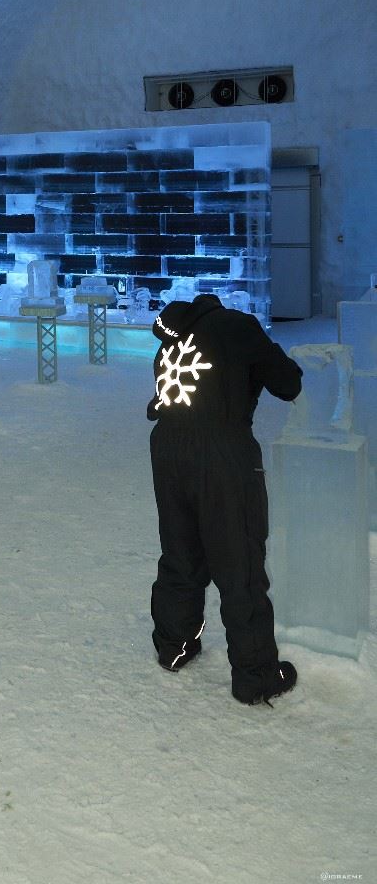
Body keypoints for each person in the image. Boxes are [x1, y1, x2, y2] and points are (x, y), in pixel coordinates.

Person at [146, 291, 303, 705]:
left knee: (180, 550)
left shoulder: (172, 337)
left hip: (166, 446)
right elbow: (288, 383)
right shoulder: (238, 326)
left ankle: (174, 646)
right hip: (221, 452)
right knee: (239, 560)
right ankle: (255, 676)